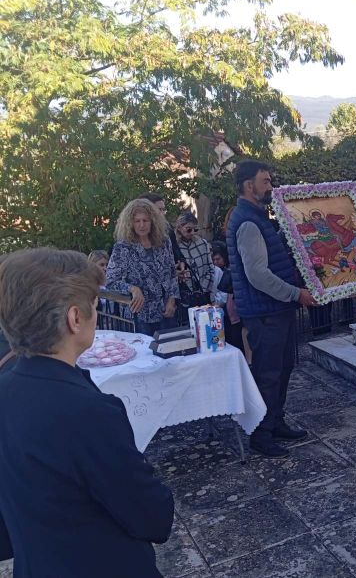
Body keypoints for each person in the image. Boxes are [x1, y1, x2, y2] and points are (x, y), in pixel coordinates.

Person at [0, 248, 174, 577]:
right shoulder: (88, 413)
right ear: (75, 319)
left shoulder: (7, 389)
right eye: (94, 305)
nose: (97, 313)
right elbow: (153, 516)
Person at [226, 159, 316, 458]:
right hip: (265, 312)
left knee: (283, 368)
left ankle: (275, 422)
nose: (270, 186)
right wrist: (296, 294)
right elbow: (257, 275)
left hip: (275, 309)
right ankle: (261, 434)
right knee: (268, 373)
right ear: (248, 185)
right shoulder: (248, 222)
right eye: (265, 181)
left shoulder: (258, 217)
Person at [106, 198, 180, 336]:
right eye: (137, 221)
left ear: (153, 221)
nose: (141, 225)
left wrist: (172, 300)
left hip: (165, 311)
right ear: (130, 223)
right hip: (139, 315)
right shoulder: (123, 247)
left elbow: (171, 273)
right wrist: (133, 288)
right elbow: (110, 281)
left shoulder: (164, 242)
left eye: (145, 220)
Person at [174, 212, 214, 321]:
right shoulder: (173, 247)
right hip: (184, 297)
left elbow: (210, 269)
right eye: (188, 229)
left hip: (203, 294)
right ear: (179, 228)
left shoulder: (202, 243)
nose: (192, 233)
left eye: (195, 230)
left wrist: (203, 289)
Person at [210, 241, 244, 352]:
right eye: (213, 260)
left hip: (232, 312)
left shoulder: (229, 271)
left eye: (218, 259)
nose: (216, 262)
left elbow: (224, 293)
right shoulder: (215, 271)